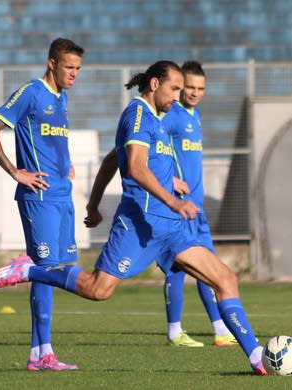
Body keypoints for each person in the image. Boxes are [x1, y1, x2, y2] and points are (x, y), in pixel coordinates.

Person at [0, 60, 269, 375]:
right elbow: (133, 167)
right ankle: (30, 270)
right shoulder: (136, 114)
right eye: (174, 88)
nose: (179, 95)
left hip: (173, 229)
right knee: (97, 289)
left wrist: (95, 204)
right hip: (140, 225)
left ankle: (257, 357)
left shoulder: (159, 118)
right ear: (155, 85)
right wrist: (173, 201)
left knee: (225, 279)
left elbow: (111, 159)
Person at [84, 61, 237, 348]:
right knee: (177, 271)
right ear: (157, 84)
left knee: (211, 270)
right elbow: (132, 158)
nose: (189, 94)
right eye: (183, 87)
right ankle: (178, 329)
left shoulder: (193, 115)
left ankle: (222, 331)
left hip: (192, 206)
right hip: (168, 207)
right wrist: (171, 189)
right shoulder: (163, 115)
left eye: (198, 88)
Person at [0, 38, 84, 371]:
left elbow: (52, 139)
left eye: (78, 68)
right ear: (52, 63)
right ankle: (43, 351)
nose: (74, 74)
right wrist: (15, 171)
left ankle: (39, 354)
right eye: (69, 67)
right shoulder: (30, 92)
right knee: (45, 269)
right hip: (38, 197)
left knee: (55, 271)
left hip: (61, 195)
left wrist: (65, 164)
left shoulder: (62, 97)